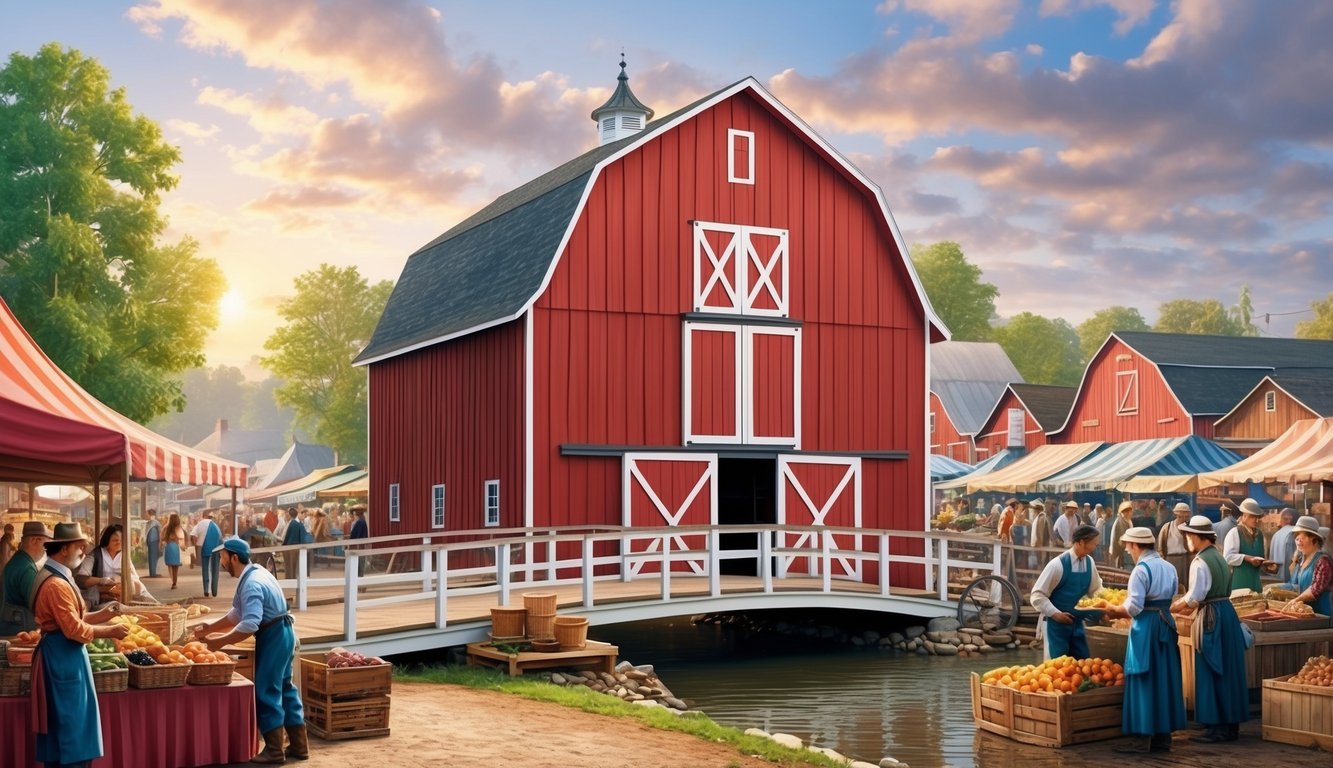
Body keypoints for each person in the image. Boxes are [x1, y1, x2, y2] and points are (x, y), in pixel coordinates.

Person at [194, 538, 307, 764]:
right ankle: (299, 746)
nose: (221, 561)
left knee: (266, 689)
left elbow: (249, 624)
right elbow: (238, 613)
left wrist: (220, 642)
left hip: (274, 635)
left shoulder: (252, 583)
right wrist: (211, 628)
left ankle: (275, 750)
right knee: (285, 687)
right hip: (284, 632)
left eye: (223, 557)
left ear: (234, 557)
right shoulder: (257, 572)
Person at [31, 522, 131, 767]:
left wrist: (104, 614)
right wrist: (111, 631)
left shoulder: (59, 576)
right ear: (64, 549)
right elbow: (73, 629)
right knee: (71, 727)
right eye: (79, 546)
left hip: (64, 656)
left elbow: (72, 619)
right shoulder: (56, 584)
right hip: (62, 659)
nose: (84, 551)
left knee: (66, 727)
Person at [1103, 526, 1185, 753]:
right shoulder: (1169, 567)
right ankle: (1163, 736)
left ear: (1136, 545)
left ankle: (1141, 738)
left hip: (1146, 627)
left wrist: (1112, 610)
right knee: (1164, 678)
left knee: (1143, 676)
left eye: (1129, 546)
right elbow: (1171, 595)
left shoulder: (1140, 571)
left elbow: (1134, 607)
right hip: (1166, 624)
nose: (1128, 551)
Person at [1173, 515, 1248, 742]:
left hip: (1211, 617)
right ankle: (1230, 724)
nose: (1187, 539)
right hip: (1227, 613)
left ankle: (1217, 727)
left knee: (1212, 668)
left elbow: (1195, 597)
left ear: (1196, 536)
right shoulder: (1219, 556)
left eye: (1188, 535)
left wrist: (1173, 607)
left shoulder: (1200, 561)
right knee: (1229, 669)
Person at [1030, 524, 1103, 660]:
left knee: (1082, 665)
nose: (1095, 547)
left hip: (1079, 625)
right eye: (1094, 544)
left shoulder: (1089, 562)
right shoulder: (1057, 565)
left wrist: (1104, 610)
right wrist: (1056, 614)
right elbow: (1037, 595)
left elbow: (1096, 590)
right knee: (1057, 669)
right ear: (1081, 542)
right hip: (1056, 626)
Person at [76, 524, 154, 608]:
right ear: (107, 540)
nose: (119, 543)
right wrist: (102, 580)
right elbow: (81, 578)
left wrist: (122, 581)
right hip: (101, 592)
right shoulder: (96, 554)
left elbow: (134, 577)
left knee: (140, 589)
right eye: (115, 540)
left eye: (121, 540)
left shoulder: (124, 555)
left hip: (122, 592)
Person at [1275, 515, 1332, 621]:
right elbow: (1294, 586)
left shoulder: (1323, 561)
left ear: (1314, 539)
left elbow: (1315, 590)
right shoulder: (1301, 560)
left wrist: (1297, 599)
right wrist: (1273, 588)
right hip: (1303, 615)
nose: (1298, 542)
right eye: (1297, 538)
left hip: (1321, 616)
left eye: (1302, 538)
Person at [1, 521, 52, 634]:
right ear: (34, 541)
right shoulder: (26, 568)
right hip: (18, 631)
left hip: (10, 627)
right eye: (45, 544)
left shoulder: (19, 560)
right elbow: (38, 605)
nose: (46, 549)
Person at [1223, 498, 1274, 593]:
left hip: (1256, 583)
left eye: (1257, 517)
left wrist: (1267, 564)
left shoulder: (1260, 535)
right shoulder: (1234, 533)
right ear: (1244, 516)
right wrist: (1247, 558)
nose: (1256, 520)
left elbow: (1261, 558)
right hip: (1239, 583)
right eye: (1253, 517)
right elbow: (1228, 557)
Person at [1157, 502, 1192, 585]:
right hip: (1170, 560)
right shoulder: (1167, 527)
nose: (1183, 519)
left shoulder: (1190, 528)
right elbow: (1160, 548)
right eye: (1180, 517)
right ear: (1176, 515)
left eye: (1186, 517)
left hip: (1185, 560)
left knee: (1185, 584)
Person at [191, 509, 223, 598]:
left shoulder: (200, 524)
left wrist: (197, 544)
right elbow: (221, 538)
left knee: (205, 569)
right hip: (216, 548)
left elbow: (193, 535)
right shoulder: (216, 526)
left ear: (203, 516)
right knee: (215, 569)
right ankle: (214, 590)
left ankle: (206, 590)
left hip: (205, 547)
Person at [1268, 508, 1298, 583]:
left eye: (1280, 518)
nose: (1279, 521)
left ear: (1288, 519)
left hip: (1277, 580)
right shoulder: (1295, 533)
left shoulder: (1276, 534)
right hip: (1291, 581)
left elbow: (1271, 561)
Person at [162, 512, 186, 590]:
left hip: (168, 547)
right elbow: (182, 538)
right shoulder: (178, 528)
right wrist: (183, 547)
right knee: (175, 566)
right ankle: (174, 582)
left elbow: (162, 538)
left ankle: (172, 579)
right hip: (176, 548)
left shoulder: (166, 528)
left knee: (170, 566)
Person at [1108, 501, 1133, 568]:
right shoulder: (1120, 522)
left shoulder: (1128, 521)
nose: (1131, 513)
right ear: (1125, 512)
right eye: (1129, 511)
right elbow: (1121, 541)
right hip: (1118, 553)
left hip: (1124, 553)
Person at [281, 508, 305, 580]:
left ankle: (289, 578)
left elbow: (287, 535)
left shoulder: (291, 523)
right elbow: (301, 536)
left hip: (289, 546)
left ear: (290, 515)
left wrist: (283, 544)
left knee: (288, 564)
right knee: (294, 564)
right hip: (296, 547)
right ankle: (293, 578)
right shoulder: (300, 524)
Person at [348, 504, 369, 577]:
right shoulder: (361, 521)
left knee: (358, 566)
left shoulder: (360, 522)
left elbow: (357, 536)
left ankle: (359, 584)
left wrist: (351, 545)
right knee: (359, 566)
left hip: (358, 547)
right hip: (360, 546)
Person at [143, 508, 161, 579]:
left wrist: (160, 541)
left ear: (151, 515)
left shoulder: (155, 523)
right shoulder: (149, 523)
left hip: (154, 541)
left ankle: (153, 573)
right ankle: (152, 572)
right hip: (150, 541)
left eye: (146, 514)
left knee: (153, 557)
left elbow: (160, 532)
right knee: (151, 557)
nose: (145, 515)